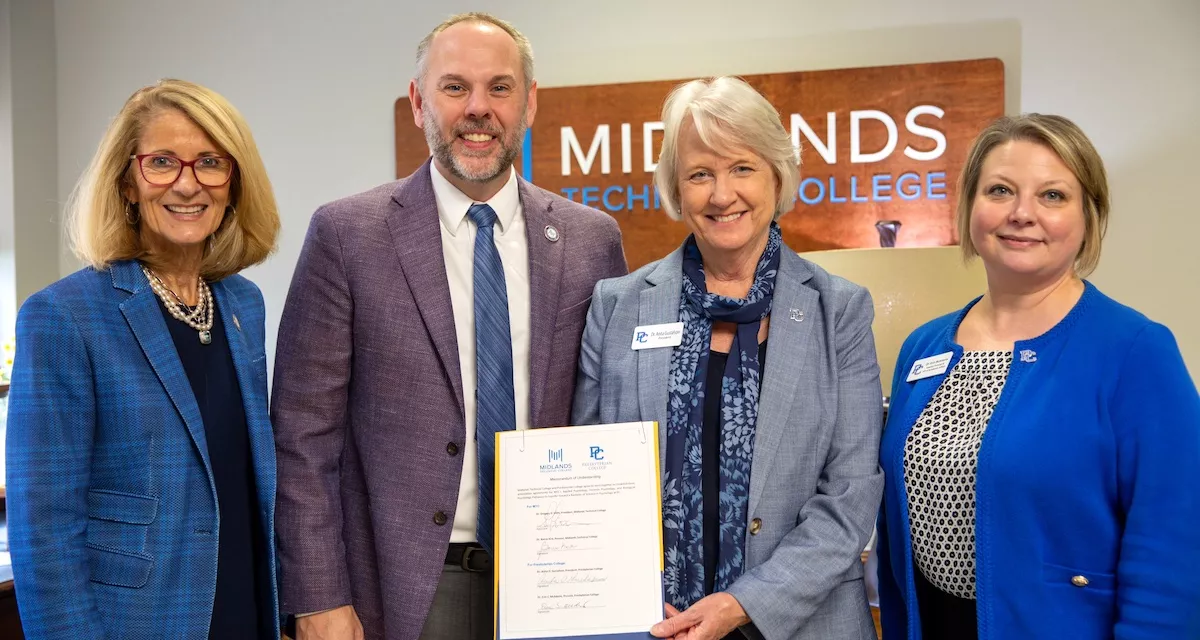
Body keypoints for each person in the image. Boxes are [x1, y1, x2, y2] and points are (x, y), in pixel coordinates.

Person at [271, 12, 627, 640]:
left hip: (557, 583)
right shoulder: (347, 236)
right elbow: (303, 437)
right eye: (455, 87)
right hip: (404, 590)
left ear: (530, 102)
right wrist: (316, 596)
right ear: (418, 102)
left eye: (499, 87)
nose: (478, 109)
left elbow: (610, 413)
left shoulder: (591, 240)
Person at [572, 76, 884, 640]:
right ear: (675, 187)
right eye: (699, 174)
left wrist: (743, 605)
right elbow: (589, 483)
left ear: (777, 175)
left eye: (742, 167)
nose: (721, 195)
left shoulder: (838, 312)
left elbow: (850, 497)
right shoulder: (617, 307)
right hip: (651, 626)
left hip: (806, 624)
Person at [875, 114, 1200, 639]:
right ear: (969, 208)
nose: (1022, 213)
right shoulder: (923, 347)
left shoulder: (1136, 351)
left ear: (1089, 218)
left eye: (1052, 196)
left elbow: (1174, 551)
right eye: (1000, 190)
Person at [6, 79, 281, 639]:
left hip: (245, 608)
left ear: (233, 181)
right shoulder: (64, 316)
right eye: (161, 162)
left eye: (210, 162)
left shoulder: (242, 304)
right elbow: (44, 529)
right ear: (127, 182)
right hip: (138, 621)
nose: (188, 184)